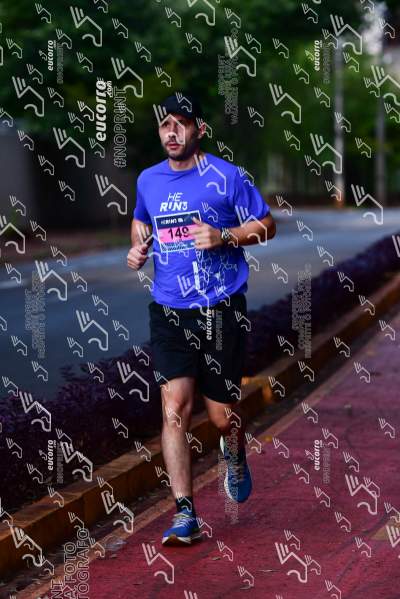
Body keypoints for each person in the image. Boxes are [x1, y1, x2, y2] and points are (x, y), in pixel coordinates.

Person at [127, 91, 276, 546]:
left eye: (181, 123)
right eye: (165, 124)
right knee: (174, 407)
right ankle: (185, 514)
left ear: (199, 130)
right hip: (169, 309)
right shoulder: (148, 180)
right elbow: (140, 222)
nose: (172, 132)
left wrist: (225, 235)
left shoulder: (227, 177)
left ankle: (235, 451)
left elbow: (267, 225)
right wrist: (137, 248)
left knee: (222, 417)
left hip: (220, 309)